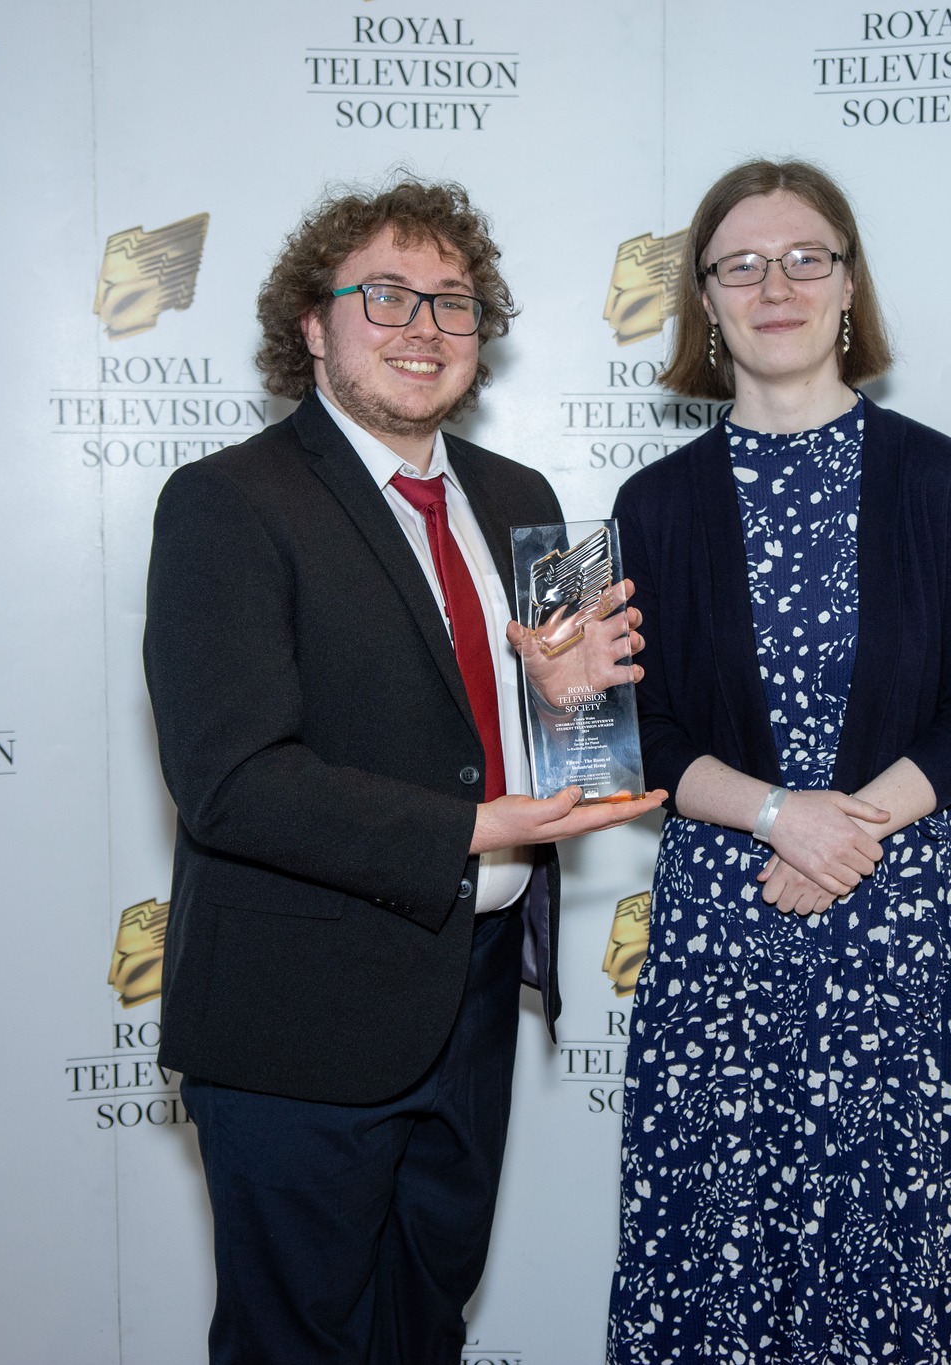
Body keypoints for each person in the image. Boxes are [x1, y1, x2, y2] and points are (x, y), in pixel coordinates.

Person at [142, 178, 664, 1365]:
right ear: (310, 325)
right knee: (299, 1345)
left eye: (453, 303)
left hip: (470, 998)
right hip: (297, 1015)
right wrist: (470, 828)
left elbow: (477, 733)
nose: (423, 326)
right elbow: (231, 778)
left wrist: (555, 708)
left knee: (424, 1327)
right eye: (384, 295)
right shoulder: (227, 502)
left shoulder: (517, 501)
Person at [607, 159, 951, 1362]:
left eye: (804, 258)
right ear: (705, 301)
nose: (772, 284)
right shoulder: (651, 504)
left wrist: (848, 835)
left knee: (891, 1249)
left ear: (848, 288)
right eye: (739, 263)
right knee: (711, 1251)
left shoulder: (940, 480)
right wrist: (782, 817)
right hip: (721, 933)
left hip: (892, 931)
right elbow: (644, 734)